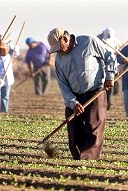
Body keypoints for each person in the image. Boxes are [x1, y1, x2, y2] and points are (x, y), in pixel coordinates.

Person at [47, 27, 117, 160]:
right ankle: (78, 157)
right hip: (74, 94)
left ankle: (87, 159)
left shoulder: (89, 42)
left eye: (59, 47)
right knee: (73, 127)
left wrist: (109, 76)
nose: (58, 51)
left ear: (66, 39)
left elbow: (109, 56)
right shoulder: (59, 60)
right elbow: (63, 85)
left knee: (93, 124)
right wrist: (73, 103)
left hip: (95, 91)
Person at [97, 28, 122, 110]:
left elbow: (120, 50)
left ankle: (108, 102)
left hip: (112, 64)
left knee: (110, 82)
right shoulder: (97, 39)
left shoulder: (116, 41)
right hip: (100, 64)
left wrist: (117, 53)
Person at [0, 36, 20, 113]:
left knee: (5, 96)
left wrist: (16, 49)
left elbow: (16, 53)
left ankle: (4, 111)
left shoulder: (9, 53)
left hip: (8, 78)